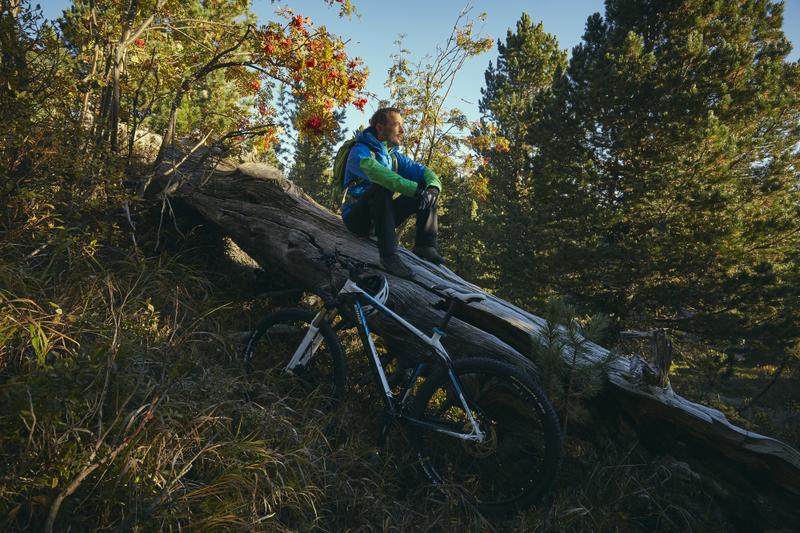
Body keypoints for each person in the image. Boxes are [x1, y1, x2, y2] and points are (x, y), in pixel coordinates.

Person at [341, 107, 444, 277]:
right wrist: (415, 191)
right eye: (397, 125)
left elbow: (424, 172)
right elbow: (382, 176)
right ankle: (389, 256)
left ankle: (425, 246)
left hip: (383, 218)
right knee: (381, 187)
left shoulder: (394, 156)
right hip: (358, 220)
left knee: (428, 190)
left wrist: (432, 188)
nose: (403, 131)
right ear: (380, 127)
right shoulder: (359, 152)